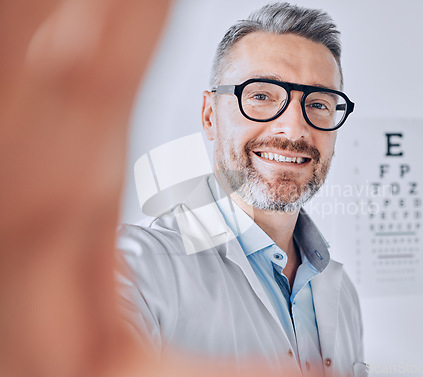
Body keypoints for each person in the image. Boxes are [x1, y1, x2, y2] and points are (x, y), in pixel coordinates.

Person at [118, 3, 366, 377]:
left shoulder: (341, 292)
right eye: (261, 96)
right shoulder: (137, 267)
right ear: (209, 115)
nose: (293, 130)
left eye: (318, 104)